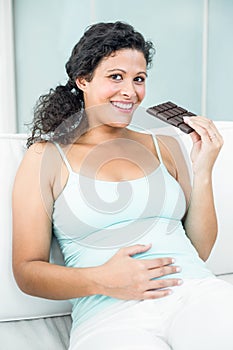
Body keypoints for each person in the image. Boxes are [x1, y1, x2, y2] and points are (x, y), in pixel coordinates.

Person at [12, 21, 233, 350]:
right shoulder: (45, 157)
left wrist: (203, 171)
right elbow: (27, 270)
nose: (130, 92)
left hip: (194, 293)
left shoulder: (166, 146)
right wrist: (102, 279)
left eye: (139, 79)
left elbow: (198, 251)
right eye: (116, 76)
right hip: (109, 316)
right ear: (83, 79)